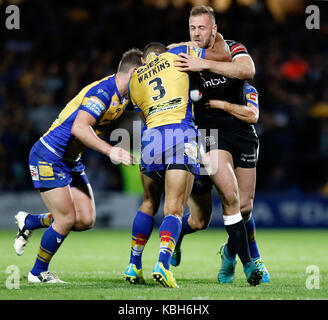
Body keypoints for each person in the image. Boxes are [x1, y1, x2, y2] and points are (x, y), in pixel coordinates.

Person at [14, 48, 143, 283]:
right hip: (49, 155)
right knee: (65, 219)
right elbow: (80, 128)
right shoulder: (103, 92)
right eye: (143, 76)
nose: (145, 82)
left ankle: (31, 221)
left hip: (70, 161)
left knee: (84, 220)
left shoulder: (124, 98)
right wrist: (111, 150)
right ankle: (38, 272)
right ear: (134, 72)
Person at [171, 5, 269, 285]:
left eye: (202, 27)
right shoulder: (185, 50)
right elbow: (162, 53)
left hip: (241, 133)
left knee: (245, 207)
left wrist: (205, 64)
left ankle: (229, 250)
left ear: (214, 29)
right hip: (210, 134)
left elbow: (247, 69)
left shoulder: (234, 48)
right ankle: (250, 265)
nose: (197, 33)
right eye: (192, 28)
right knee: (229, 195)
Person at [123, 42, 209, 289]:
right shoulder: (175, 58)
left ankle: (133, 264)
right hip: (180, 133)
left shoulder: (135, 79)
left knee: (149, 202)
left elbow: (144, 115)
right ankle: (162, 263)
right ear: (163, 53)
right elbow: (203, 58)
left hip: (150, 138)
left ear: (144, 59)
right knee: (174, 209)